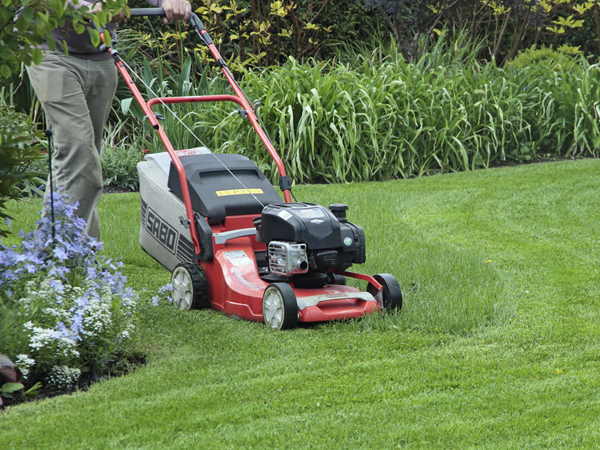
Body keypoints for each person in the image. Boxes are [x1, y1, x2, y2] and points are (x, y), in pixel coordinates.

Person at [27, 0, 192, 240]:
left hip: (101, 56)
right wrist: (83, 7)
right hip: (52, 53)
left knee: (79, 159)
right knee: (80, 154)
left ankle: (80, 257)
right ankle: (51, 253)